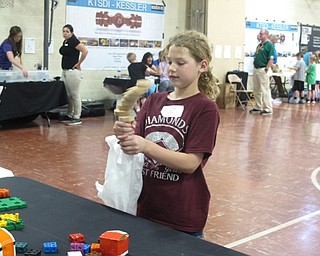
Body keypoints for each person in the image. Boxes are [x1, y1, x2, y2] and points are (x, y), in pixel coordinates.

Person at [113, 31, 220, 238]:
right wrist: (123, 134)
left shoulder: (205, 109)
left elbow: (191, 163)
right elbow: (134, 144)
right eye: (169, 61)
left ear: (202, 66)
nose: (171, 68)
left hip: (181, 215)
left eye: (180, 62)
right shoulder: (154, 101)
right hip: (146, 206)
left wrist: (145, 146)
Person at [59, 24, 88, 126]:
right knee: (68, 95)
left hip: (73, 71)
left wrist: (79, 63)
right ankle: (70, 114)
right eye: (63, 31)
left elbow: (85, 50)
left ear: (71, 32)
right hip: (66, 71)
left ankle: (77, 116)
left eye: (67, 31)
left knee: (74, 94)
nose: (65, 33)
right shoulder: (66, 42)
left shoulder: (74, 41)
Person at [250, 29, 275, 115]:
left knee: (265, 89)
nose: (260, 35)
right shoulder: (259, 45)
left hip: (263, 69)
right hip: (256, 69)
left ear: (267, 35)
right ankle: (258, 106)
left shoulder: (269, 45)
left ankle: (268, 108)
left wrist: (267, 68)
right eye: (259, 34)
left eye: (261, 34)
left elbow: (271, 58)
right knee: (256, 89)